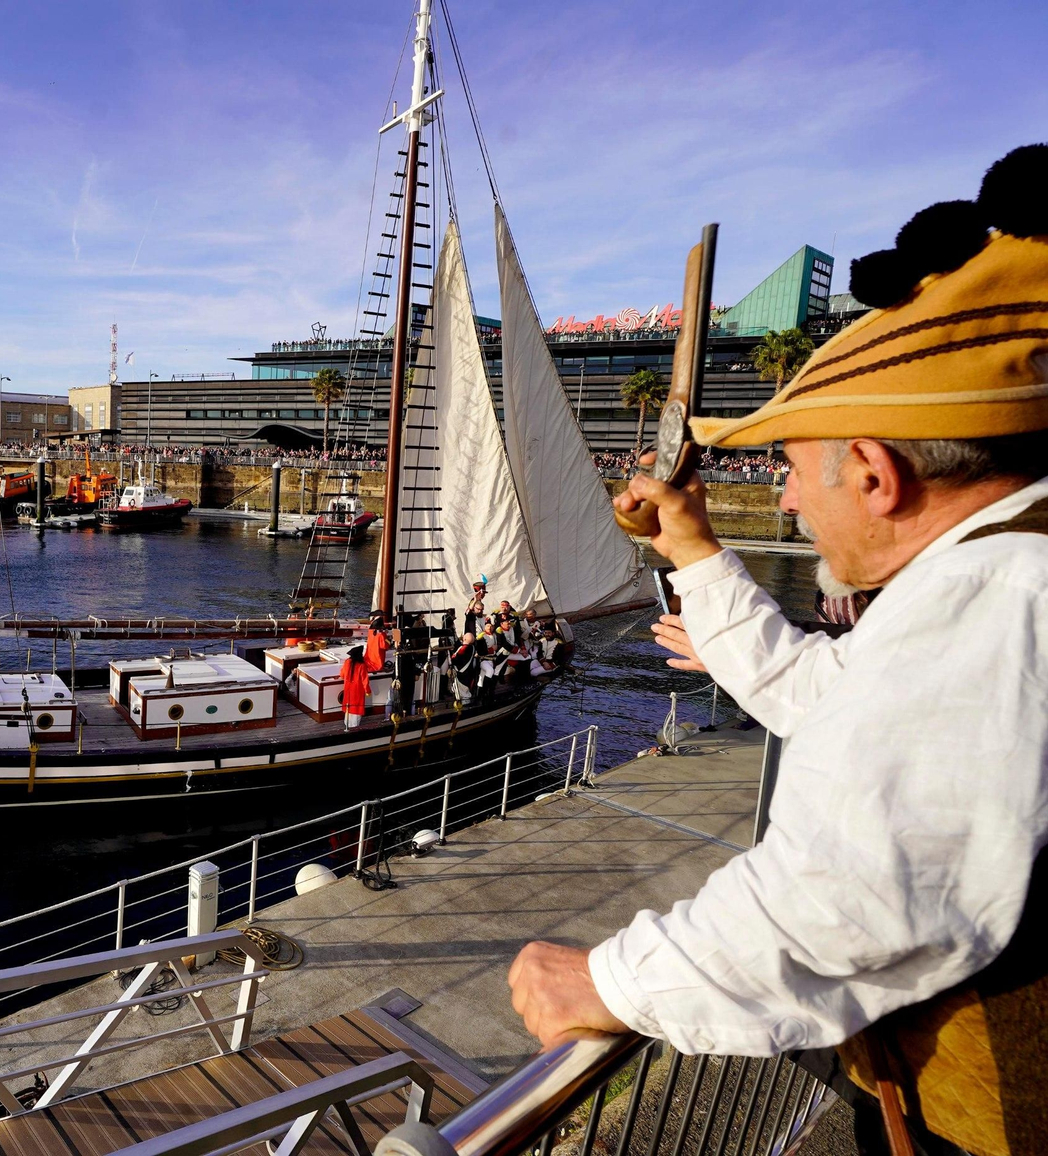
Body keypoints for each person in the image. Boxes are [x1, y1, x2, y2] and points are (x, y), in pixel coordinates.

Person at [507, 145, 1048, 1156]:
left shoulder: (1006, 592)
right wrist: (693, 547)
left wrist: (606, 981)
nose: (787, 498)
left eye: (796, 469)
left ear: (875, 473)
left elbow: (857, 891)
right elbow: (826, 693)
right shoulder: (988, 579)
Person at [448, 631, 478, 704]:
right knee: (465, 688)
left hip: (461, 672)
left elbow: (455, 659)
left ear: (464, 639)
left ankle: (463, 703)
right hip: (469, 671)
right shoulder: (473, 647)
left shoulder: (463, 648)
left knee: (462, 690)